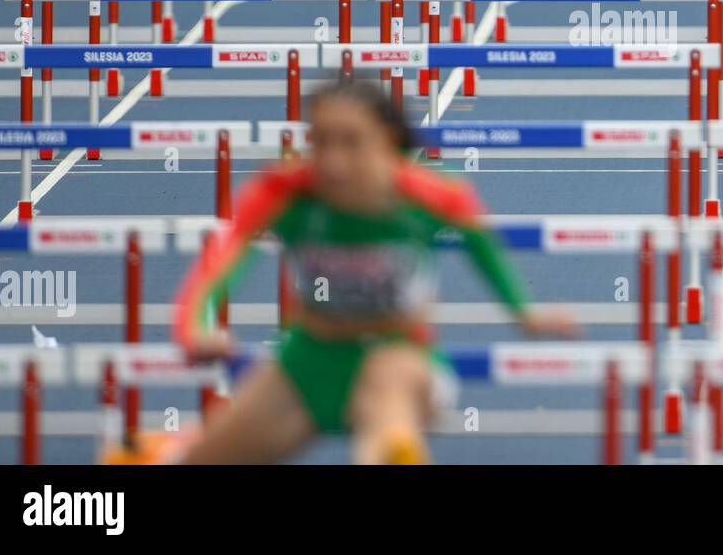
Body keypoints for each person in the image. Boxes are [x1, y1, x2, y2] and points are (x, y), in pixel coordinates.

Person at [168, 82, 576, 464]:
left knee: (387, 403)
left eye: (351, 141)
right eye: (321, 140)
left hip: (399, 356)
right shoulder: (285, 192)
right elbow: (218, 267)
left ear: (388, 142)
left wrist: (526, 312)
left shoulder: (434, 195)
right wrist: (193, 329)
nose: (333, 161)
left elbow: (486, 251)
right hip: (306, 363)